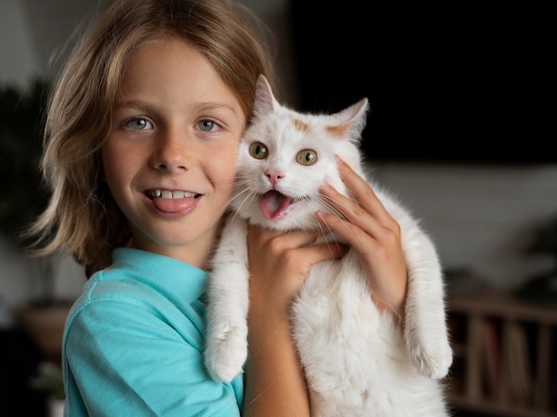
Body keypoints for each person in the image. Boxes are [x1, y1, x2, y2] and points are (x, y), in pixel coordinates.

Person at [29, 0, 408, 415]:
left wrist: (393, 292)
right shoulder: (113, 320)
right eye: (138, 122)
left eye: (207, 124)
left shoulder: (287, 256)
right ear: (95, 145)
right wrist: (268, 311)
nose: (172, 155)